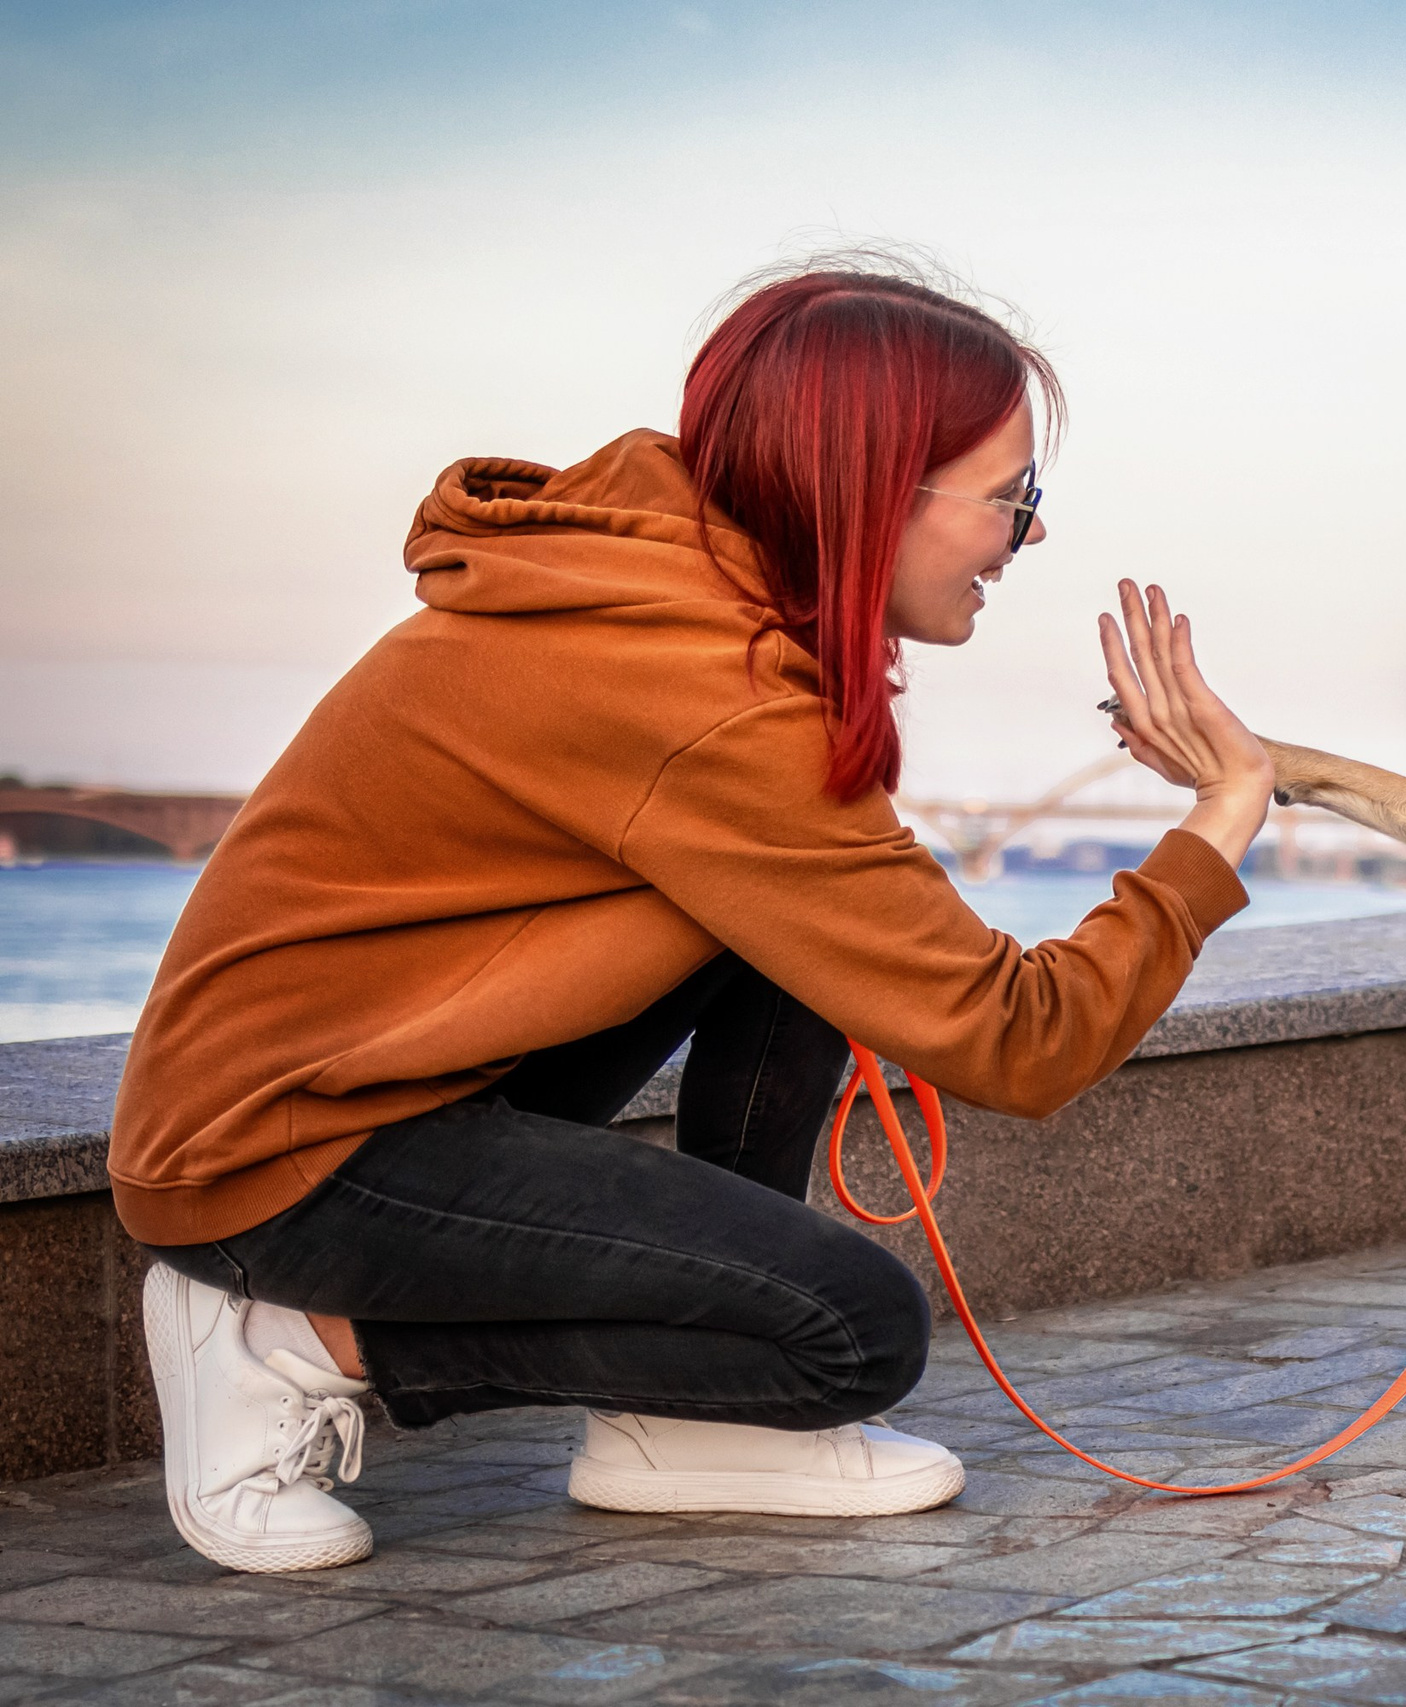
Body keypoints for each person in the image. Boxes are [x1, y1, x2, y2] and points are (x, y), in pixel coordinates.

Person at [110, 264, 1274, 1574]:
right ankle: (283, 1343)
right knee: (851, 1334)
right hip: (274, 1157)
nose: (1032, 534)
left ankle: (688, 1420)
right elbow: (1024, 1040)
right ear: (877, 484)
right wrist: (1226, 811)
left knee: (800, 936)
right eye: (1014, 497)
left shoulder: (674, 599)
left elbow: (882, 944)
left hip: (379, 1078)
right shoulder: (710, 692)